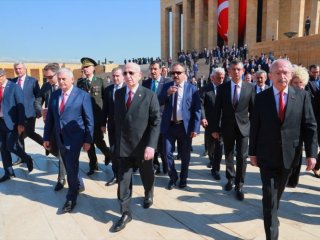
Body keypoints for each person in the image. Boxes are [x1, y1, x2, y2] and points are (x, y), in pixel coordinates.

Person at [249, 59, 317, 240]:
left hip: (290, 155)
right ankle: (272, 231)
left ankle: (272, 211)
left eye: (286, 72)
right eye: (278, 73)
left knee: (277, 193)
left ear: (291, 75)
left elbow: (310, 126)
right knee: (269, 196)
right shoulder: (262, 98)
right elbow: (255, 125)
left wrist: (312, 154)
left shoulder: (302, 96)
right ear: (270, 76)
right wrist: (252, 152)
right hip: (266, 155)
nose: (282, 76)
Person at [112, 63, 160, 232]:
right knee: (124, 180)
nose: (127, 76)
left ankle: (148, 192)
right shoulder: (118, 94)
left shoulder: (149, 95)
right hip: (123, 146)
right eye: (125, 73)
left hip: (142, 147)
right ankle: (125, 212)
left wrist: (151, 146)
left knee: (147, 174)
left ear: (140, 75)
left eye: (131, 72)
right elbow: (115, 120)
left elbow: (156, 122)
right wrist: (115, 144)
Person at [43, 68, 94, 213]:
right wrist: (46, 137)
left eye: (64, 79)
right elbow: (51, 119)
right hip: (59, 138)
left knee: (71, 168)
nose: (61, 82)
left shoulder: (82, 95)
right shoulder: (54, 95)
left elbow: (89, 120)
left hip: (75, 138)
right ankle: (78, 184)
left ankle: (71, 197)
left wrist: (88, 140)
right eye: (59, 79)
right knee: (68, 164)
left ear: (72, 79)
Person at [212, 59, 255, 201]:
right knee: (229, 154)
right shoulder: (223, 88)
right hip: (227, 127)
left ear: (243, 71)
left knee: (242, 156)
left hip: (244, 128)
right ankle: (230, 179)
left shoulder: (250, 88)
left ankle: (239, 184)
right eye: (233, 69)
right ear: (229, 71)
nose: (236, 72)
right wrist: (215, 129)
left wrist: (255, 130)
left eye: (239, 69)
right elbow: (217, 110)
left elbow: (254, 111)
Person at [159, 63, 201, 190]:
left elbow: (197, 110)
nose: (175, 75)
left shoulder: (192, 89)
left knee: (185, 155)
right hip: (169, 126)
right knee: (166, 153)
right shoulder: (166, 86)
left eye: (178, 73)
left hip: (185, 127)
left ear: (185, 74)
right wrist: (167, 93)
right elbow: (157, 101)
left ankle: (183, 178)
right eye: (173, 73)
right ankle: (173, 177)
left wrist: (195, 128)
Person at [77, 57, 111, 175]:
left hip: (97, 118)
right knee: (88, 141)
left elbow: (105, 101)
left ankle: (108, 154)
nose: (85, 69)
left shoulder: (100, 81)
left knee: (98, 140)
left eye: (87, 67)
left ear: (93, 68)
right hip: (84, 118)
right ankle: (93, 165)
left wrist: (104, 121)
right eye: (83, 67)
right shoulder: (80, 82)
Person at [0, 69, 33, 183]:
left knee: (10, 146)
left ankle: (27, 158)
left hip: (12, 123)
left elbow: (21, 107)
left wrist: (21, 123)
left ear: (4, 76)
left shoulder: (14, 87)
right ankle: (8, 173)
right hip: (0, 122)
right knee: (3, 148)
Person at [38, 63, 66, 191]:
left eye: (50, 77)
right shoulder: (45, 86)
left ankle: (61, 178)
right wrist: (41, 110)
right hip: (51, 123)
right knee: (54, 149)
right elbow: (37, 101)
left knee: (61, 151)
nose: (48, 80)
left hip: (65, 125)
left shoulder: (66, 86)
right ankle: (65, 164)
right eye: (46, 78)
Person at [142, 61, 171, 174]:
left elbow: (169, 101)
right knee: (152, 143)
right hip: (149, 120)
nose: (153, 71)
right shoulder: (145, 83)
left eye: (155, 69)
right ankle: (155, 165)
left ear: (160, 70)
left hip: (164, 119)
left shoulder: (168, 82)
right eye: (151, 69)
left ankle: (166, 165)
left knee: (163, 146)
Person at [12, 62, 43, 166]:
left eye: (20, 68)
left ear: (25, 69)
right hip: (16, 114)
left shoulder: (32, 81)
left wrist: (38, 110)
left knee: (30, 133)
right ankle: (22, 157)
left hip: (29, 113)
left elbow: (38, 96)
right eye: (16, 69)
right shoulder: (12, 81)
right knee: (18, 135)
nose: (18, 70)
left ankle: (46, 144)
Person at [101, 67, 125, 186]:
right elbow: (105, 108)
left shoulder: (128, 88)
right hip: (112, 125)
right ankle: (116, 174)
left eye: (118, 76)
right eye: (114, 76)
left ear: (123, 76)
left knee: (126, 150)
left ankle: (126, 174)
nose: (115, 78)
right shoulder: (108, 90)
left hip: (126, 126)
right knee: (114, 150)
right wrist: (103, 123)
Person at [287, 65, 310, 187]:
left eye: (301, 83)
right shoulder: (287, 94)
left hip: (300, 132)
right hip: (287, 130)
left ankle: (293, 180)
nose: (298, 85)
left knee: (297, 157)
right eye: (295, 82)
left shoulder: (306, 95)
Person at [201, 67, 225, 179]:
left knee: (219, 146)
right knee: (210, 147)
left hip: (222, 123)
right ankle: (211, 158)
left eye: (222, 78)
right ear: (212, 78)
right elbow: (200, 105)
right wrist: (203, 117)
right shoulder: (205, 89)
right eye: (218, 78)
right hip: (209, 123)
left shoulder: (226, 88)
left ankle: (216, 169)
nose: (221, 80)